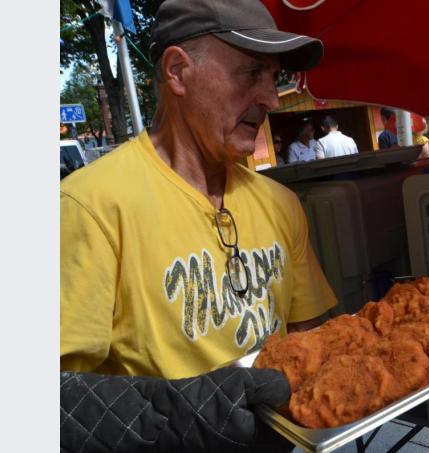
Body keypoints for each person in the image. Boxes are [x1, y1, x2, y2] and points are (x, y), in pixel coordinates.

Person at [60, 1, 337, 451]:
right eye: (251, 72)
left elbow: (313, 338)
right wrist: (172, 417)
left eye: (274, 77)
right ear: (176, 71)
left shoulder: (282, 203)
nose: (270, 98)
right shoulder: (89, 207)